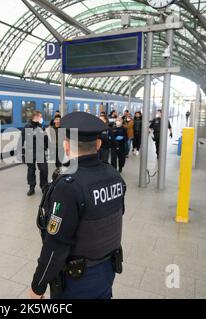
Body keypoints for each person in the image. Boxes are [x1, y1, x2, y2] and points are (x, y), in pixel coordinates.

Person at [30, 112, 125, 299]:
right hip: (107, 269)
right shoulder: (114, 175)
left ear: (66, 146)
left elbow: (56, 245)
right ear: (98, 145)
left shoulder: (68, 186)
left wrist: (37, 286)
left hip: (78, 280)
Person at [20, 110, 49, 196]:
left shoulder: (41, 126)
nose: (41, 118)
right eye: (40, 116)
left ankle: (43, 186)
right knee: (31, 170)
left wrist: (47, 146)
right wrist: (22, 154)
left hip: (40, 151)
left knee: (44, 170)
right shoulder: (27, 127)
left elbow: (45, 137)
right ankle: (31, 187)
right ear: (35, 117)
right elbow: (22, 141)